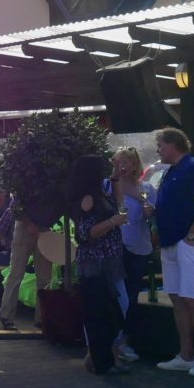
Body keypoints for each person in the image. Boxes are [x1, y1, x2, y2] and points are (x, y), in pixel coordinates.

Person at [152, 127, 194, 377]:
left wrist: (191, 236)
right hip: (170, 243)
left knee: (192, 299)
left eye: (160, 144)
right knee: (177, 299)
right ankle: (187, 354)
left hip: (191, 244)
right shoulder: (171, 172)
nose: (158, 149)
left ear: (172, 144)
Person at [69, 155, 127, 376]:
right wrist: (113, 222)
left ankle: (104, 357)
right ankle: (101, 360)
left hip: (108, 260)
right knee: (103, 313)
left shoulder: (100, 194)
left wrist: (115, 176)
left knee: (112, 311)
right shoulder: (87, 199)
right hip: (96, 262)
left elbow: (117, 202)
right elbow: (85, 234)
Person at [109, 147, 153, 363]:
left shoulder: (146, 188)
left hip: (138, 246)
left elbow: (154, 216)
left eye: (127, 162)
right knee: (115, 293)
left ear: (136, 165)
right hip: (115, 247)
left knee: (132, 293)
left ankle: (125, 340)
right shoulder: (108, 186)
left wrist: (150, 212)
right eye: (119, 162)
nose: (123, 166)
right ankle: (111, 340)